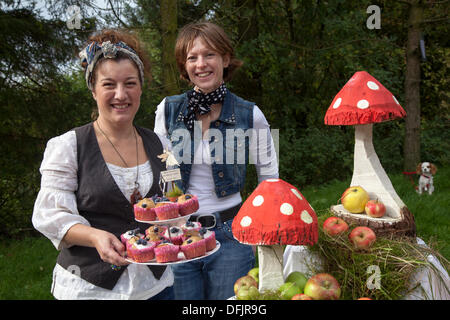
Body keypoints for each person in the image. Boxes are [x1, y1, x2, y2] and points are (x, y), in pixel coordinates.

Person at [32, 29, 174, 300]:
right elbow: (50, 215)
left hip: (156, 286)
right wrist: (95, 236)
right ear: (94, 89)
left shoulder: (163, 145)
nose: (121, 94)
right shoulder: (67, 146)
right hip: (91, 289)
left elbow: (175, 193)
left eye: (130, 83)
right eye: (109, 84)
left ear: (141, 88)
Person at [154, 21, 279, 300]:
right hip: (178, 234)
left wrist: (263, 230)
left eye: (209, 54)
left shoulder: (250, 114)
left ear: (225, 58)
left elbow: (269, 177)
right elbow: (162, 169)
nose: (201, 64)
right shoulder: (167, 110)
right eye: (192, 57)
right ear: (184, 66)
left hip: (231, 235)